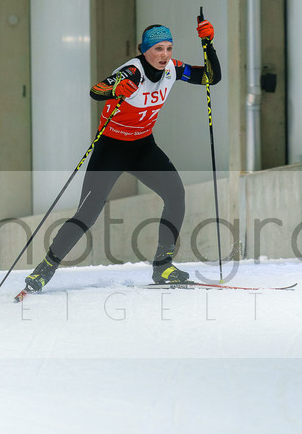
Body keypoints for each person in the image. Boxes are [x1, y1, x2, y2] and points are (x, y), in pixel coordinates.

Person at [23, 16, 222, 293]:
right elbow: (97, 90)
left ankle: (163, 266)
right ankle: (45, 268)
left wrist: (208, 43)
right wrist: (116, 89)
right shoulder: (132, 71)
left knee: (175, 194)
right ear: (144, 49)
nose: (164, 55)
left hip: (142, 147)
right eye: (157, 49)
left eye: (168, 48)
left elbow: (211, 77)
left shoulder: (174, 69)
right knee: (88, 213)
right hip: (112, 149)